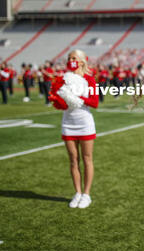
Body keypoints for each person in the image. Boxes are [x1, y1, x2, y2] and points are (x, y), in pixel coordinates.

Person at [51, 50, 99, 209]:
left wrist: (77, 98)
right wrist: (57, 98)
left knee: (87, 158)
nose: (71, 60)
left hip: (84, 123)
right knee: (73, 160)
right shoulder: (63, 79)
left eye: (74, 58)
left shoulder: (89, 79)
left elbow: (95, 102)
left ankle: (86, 194)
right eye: (69, 58)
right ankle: (77, 192)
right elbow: (58, 98)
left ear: (82, 61)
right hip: (68, 122)